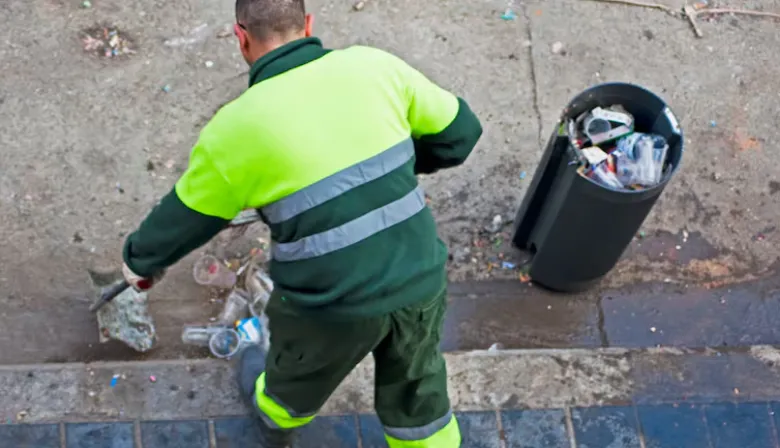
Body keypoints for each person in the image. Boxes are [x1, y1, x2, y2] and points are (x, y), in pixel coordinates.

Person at [121, 0, 482, 445]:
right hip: (420, 277)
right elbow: (461, 134)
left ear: (241, 38)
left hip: (331, 305)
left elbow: (183, 220)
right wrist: (397, 170)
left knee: (294, 379)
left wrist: (137, 264)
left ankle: (275, 420)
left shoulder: (235, 130)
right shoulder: (376, 67)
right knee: (418, 398)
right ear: (307, 24)